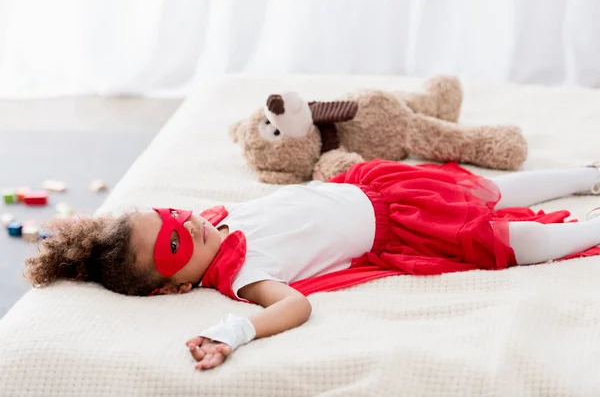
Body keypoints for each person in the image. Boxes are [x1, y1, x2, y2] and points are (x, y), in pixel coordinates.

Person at [24, 159, 600, 370]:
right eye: (176, 244)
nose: (188, 224)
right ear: (175, 288)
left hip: (381, 188)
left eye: (172, 215)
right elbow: (294, 304)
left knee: (484, 190)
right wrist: (233, 332)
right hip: (400, 228)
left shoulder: (219, 220)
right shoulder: (242, 275)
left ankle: (584, 173)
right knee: (504, 239)